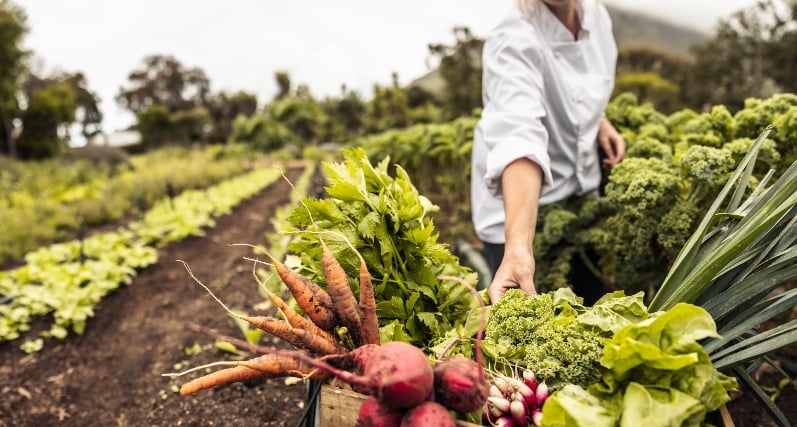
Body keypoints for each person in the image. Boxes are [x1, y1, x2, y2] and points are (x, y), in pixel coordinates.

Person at [470, 0, 626, 304]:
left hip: (578, 195)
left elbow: (579, 87)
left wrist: (599, 121)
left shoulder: (596, 16)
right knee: (530, 330)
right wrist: (517, 248)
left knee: (591, 299)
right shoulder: (513, 37)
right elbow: (519, 136)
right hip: (518, 209)